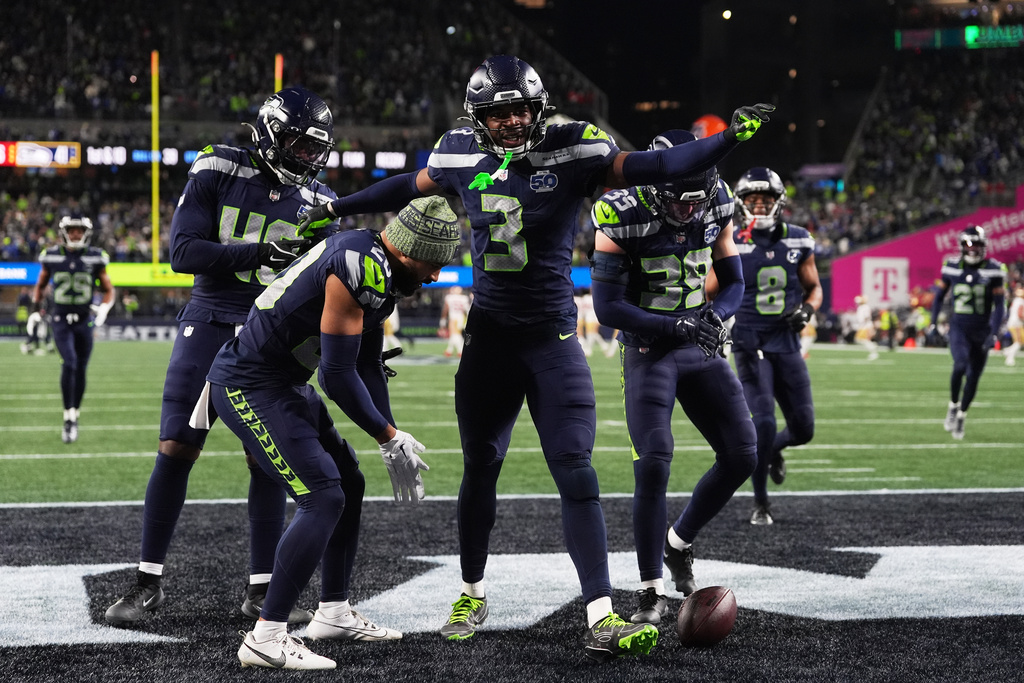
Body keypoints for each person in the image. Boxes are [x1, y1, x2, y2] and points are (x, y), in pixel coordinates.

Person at [298, 54, 773, 662]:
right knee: (481, 467)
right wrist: (338, 208)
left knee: (575, 469)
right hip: (490, 339)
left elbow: (658, 163)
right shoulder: (459, 151)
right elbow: (405, 186)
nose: (513, 121)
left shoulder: (575, 145)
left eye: (521, 108)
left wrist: (726, 139)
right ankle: (471, 590)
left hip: (552, 339)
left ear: (539, 105)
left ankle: (601, 615)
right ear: (479, 117)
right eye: (499, 113)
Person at [105, 87, 338, 625]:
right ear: (270, 133)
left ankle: (261, 590)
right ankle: (146, 583)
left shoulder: (318, 201)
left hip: (272, 335)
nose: (307, 158)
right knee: (177, 445)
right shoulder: (219, 167)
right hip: (211, 319)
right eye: (299, 145)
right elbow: (183, 252)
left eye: (314, 149)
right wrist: (260, 253)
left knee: (267, 459)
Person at [206, 196, 458, 670]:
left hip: (283, 382)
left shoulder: (379, 267)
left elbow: (366, 362)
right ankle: (266, 634)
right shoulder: (360, 265)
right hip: (249, 384)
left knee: (350, 482)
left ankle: (334, 612)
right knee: (323, 496)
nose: (435, 276)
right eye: (432, 263)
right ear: (408, 250)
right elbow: (336, 375)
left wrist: (391, 433)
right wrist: (385, 436)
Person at [590, 129, 757, 626]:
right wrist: (673, 324)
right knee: (655, 461)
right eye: (677, 203)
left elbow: (734, 284)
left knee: (742, 453)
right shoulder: (621, 209)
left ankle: (677, 541)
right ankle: (648, 591)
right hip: (649, 348)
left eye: (694, 204)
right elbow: (606, 308)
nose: (686, 212)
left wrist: (714, 316)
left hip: (697, 343)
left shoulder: (718, 198)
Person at [727, 166, 822, 526]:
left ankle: (774, 452)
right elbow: (709, 290)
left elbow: (813, 287)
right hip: (749, 341)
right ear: (741, 203)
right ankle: (760, 503)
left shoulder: (799, 239)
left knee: (804, 429)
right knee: (763, 422)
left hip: (786, 340)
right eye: (753, 200)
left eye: (766, 200)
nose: (760, 206)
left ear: (779, 203)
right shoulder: (730, 239)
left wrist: (808, 309)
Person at [32, 216, 115, 443]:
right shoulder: (51, 255)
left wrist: (105, 308)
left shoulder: (95, 257)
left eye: (80, 231)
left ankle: (73, 414)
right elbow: (40, 286)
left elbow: (109, 289)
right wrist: (35, 309)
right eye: (72, 230)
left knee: (81, 368)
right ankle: (68, 417)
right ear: (64, 232)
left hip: (84, 320)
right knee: (69, 362)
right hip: (59, 319)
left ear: (87, 233)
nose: (76, 234)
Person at [930, 225, 1006, 440]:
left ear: (984, 246)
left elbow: (1000, 305)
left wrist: (994, 332)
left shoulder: (994, 269)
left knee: (973, 377)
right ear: (962, 246)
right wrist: (933, 324)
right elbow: (938, 297)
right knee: (960, 365)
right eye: (969, 244)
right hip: (959, 327)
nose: (972, 249)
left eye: (977, 244)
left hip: (981, 330)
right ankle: (953, 405)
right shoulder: (951, 267)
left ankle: (962, 415)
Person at [440, 285, 471, 357]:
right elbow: (467, 309)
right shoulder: (464, 298)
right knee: (454, 334)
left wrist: (443, 320)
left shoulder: (449, 298)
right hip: (462, 318)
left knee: (455, 335)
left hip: (453, 318)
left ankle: (461, 351)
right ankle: (449, 350)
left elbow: (445, 309)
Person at [1004, 286, 1024, 366]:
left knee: (1020, 341)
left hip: (1013, 323)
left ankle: (1007, 350)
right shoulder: (1021, 301)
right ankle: (1010, 357)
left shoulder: (1016, 300)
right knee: (1019, 342)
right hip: (1017, 324)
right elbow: (1020, 314)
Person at [854, 295, 878, 360]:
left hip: (865, 326)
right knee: (860, 339)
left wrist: (863, 325)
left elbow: (866, 317)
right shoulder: (861, 307)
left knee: (863, 339)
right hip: (863, 326)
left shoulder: (865, 307)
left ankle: (873, 350)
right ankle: (872, 347)